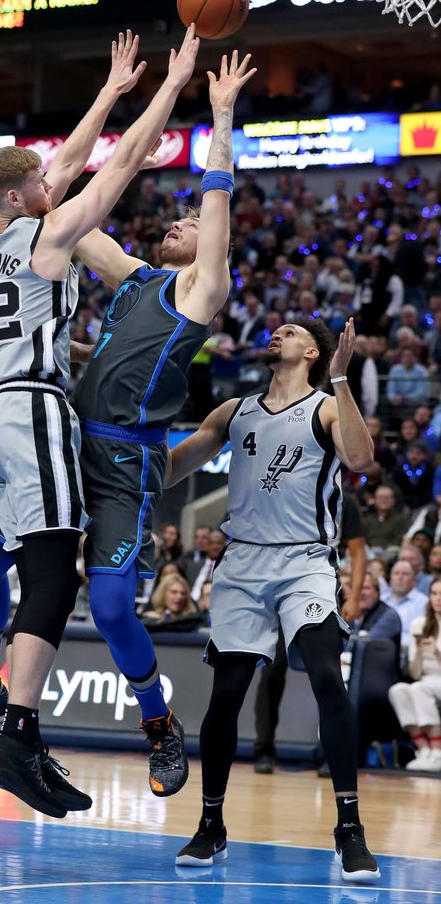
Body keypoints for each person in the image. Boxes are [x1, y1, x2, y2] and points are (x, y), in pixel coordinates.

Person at [0, 25, 201, 818]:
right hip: (43, 415)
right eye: (40, 180)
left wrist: (113, 92)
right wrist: (170, 89)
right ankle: (15, 722)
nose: (54, 178)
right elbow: (101, 172)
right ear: (22, 197)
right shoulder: (60, 239)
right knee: (51, 575)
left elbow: (72, 164)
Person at [70, 49, 256, 798]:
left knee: (112, 605)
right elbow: (66, 220)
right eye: (174, 217)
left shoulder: (200, 291)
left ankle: (158, 722)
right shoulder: (135, 279)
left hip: (125, 460)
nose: (178, 221)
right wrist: (121, 167)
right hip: (66, 442)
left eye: (186, 220)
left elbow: (215, 208)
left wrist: (219, 115)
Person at [166, 318, 380, 883]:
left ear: (312, 351)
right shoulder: (235, 411)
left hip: (305, 562)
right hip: (242, 563)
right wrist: (123, 440)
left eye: (289, 331)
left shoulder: (326, 407)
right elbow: (169, 470)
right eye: (275, 330)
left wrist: (341, 381)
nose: (275, 334)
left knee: (327, 679)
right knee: (227, 695)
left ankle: (349, 828)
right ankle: (211, 825)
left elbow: (360, 459)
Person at [253, 493, 367, 776]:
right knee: (270, 673)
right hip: (281, 589)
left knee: (327, 675)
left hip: (323, 588)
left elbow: (358, 552)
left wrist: (353, 597)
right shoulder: (286, 490)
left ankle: (334, 754)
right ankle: (264, 750)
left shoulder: (344, 502)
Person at [388, 577, 441, 771]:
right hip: (426, 680)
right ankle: (424, 749)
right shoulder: (419, 624)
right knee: (398, 690)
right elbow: (414, 673)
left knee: (420, 689)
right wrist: (419, 651)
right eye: (434, 593)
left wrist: (436, 652)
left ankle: (437, 749)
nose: (438, 598)